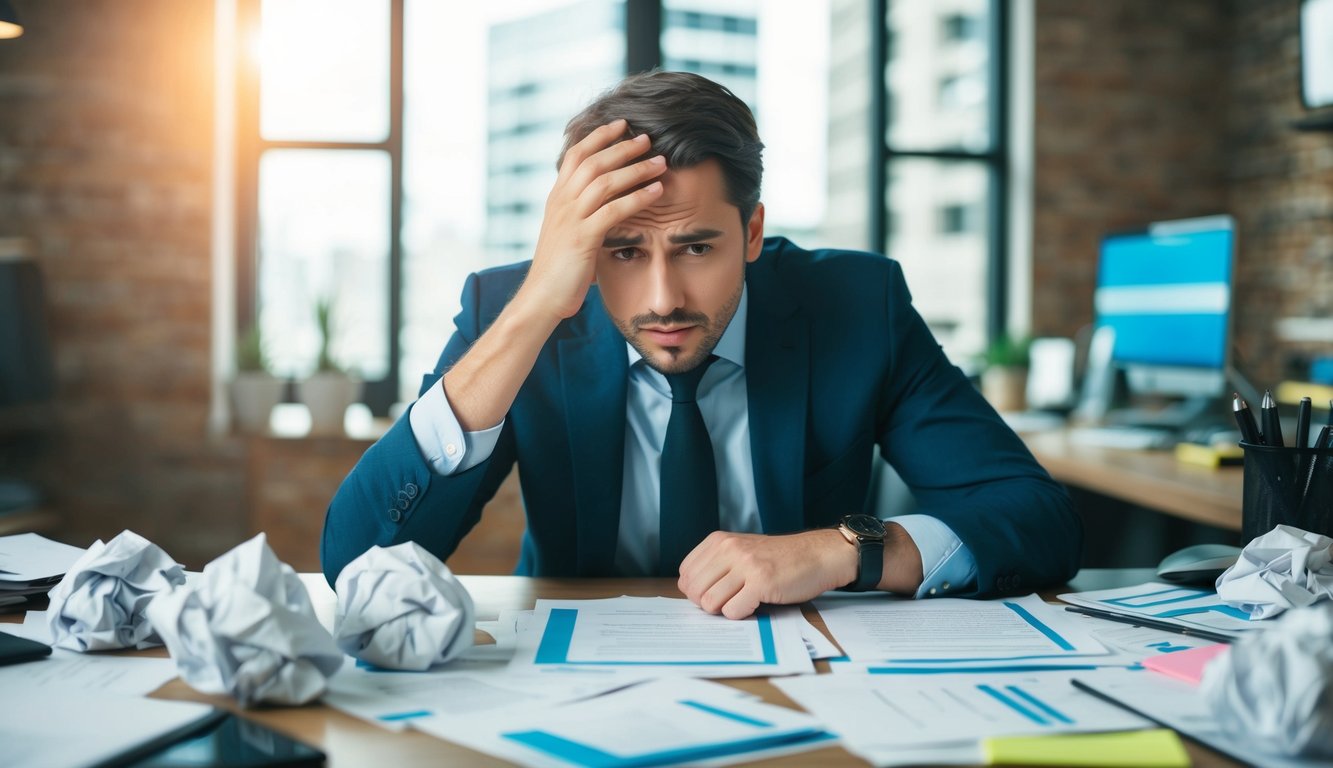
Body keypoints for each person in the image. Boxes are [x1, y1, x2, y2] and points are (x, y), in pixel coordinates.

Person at [322, 71, 1081, 619]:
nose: (662, 300)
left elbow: (1035, 518)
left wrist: (840, 550)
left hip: (810, 676)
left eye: (694, 248)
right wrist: (534, 312)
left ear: (750, 233)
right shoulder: (510, 308)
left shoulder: (856, 305)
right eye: (620, 252)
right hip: (569, 680)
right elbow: (354, 565)